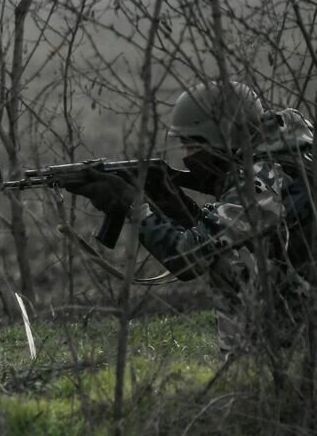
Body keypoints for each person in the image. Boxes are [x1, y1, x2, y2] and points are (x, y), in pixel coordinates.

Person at [65, 80, 315, 356]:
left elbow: (188, 257)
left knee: (231, 261)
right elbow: (216, 234)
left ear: (221, 140)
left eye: (191, 145)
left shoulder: (263, 179)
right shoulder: (287, 157)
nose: (185, 156)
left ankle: (251, 360)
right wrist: (169, 199)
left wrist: (134, 205)